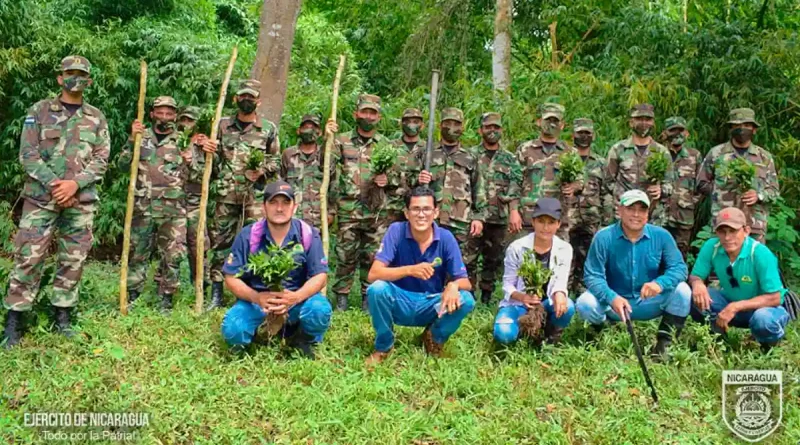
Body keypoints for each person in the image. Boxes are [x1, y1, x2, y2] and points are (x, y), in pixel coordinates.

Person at [3, 56, 110, 347]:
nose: (75, 78)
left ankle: (62, 316)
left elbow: (102, 159)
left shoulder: (96, 117)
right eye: (70, 73)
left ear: (88, 80)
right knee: (29, 258)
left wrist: (75, 183)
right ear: (60, 78)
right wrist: (56, 185)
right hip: (40, 199)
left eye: (81, 74)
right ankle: (15, 320)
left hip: (81, 200)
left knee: (73, 259)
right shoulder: (38, 111)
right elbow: (28, 155)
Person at [220, 181, 332, 359]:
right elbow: (231, 277)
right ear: (264, 207)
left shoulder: (308, 234)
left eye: (285, 203)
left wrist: (296, 297)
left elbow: (320, 275)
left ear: (294, 207)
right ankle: (258, 334)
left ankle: (302, 339)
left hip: (295, 301)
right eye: (273, 202)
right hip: (257, 303)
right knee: (233, 329)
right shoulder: (248, 235)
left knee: (319, 309)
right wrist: (256, 297)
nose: (279, 208)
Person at [364, 187, 476, 364]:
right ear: (407, 213)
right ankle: (384, 347)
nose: (421, 215)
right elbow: (374, 274)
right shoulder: (396, 231)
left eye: (426, 209)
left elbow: (465, 282)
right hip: (399, 300)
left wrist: (453, 285)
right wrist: (410, 270)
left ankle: (433, 340)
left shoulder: (446, 238)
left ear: (436, 212)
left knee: (466, 299)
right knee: (377, 289)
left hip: (431, 304)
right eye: (415, 209)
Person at [577, 189, 691, 360]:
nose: (636, 214)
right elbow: (592, 275)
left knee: (683, 291)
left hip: (648, 301)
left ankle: (664, 345)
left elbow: (679, 268)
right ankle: (598, 340)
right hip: (614, 303)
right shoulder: (603, 237)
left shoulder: (661, 236)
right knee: (585, 303)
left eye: (642, 209)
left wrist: (659, 284)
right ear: (620, 210)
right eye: (631, 208)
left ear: (648, 213)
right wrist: (611, 297)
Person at [204, 79, 280, 309]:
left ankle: (252, 291)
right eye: (243, 96)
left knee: (256, 242)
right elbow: (214, 161)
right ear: (236, 98)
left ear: (259, 101)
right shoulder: (222, 125)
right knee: (219, 242)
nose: (247, 100)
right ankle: (216, 293)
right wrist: (207, 149)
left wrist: (261, 171)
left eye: (251, 96)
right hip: (226, 194)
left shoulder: (268, 129)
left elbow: (275, 160)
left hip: (255, 197)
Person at [121, 96, 192, 312]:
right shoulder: (141, 137)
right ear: (151, 114)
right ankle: (133, 295)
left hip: (173, 210)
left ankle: (166, 299)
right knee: (138, 253)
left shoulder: (182, 141)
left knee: (173, 255)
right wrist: (133, 140)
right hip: (142, 207)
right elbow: (122, 165)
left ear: (175, 116)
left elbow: (196, 175)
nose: (164, 117)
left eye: (169, 113)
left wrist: (190, 160)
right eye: (160, 112)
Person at [328, 94, 399, 311]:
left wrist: (388, 180)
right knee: (345, 255)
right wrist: (327, 138)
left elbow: (399, 177)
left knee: (373, 256)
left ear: (378, 117)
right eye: (364, 112)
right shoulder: (341, 141)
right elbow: (326, 169)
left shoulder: (387, 145)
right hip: (348, 210)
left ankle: (369, 299)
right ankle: (341, 299)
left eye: (373, 113)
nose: (368, 116)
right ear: (356, 114)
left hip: (376, 213)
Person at [689, 207, 790, 352]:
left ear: (746, 231)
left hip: (764, 309)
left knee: (763, 320)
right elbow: (696, 276)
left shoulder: (760, 253)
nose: (727, 237)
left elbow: (775, 297)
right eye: (722, 232)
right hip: (730, 301)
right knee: (695, 297)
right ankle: (718, 341)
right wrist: (697, 284)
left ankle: (770, 345)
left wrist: (735, 306)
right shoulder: (712, 247)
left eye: (733, 231)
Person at [409, 107, 486, 290]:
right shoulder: (425, 153)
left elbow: (479, 189)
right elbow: (408, 183)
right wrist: (418, 179)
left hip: (460, 219)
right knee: (429, 258)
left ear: (463, 127)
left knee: (463, 261)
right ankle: (428, 295)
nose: (452, 127)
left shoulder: (470, 157)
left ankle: (462, 297)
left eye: (456, 123)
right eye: (448, 123)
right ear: (440, 125)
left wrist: (478, 217)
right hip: (430, 218)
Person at [494, 198, 575, 345]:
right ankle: (523, 331)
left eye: (551, 222)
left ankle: (551, 337)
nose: (545, 227)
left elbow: (561, 281)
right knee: (503, 334)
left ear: (558, 224)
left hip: (546, 303)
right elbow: (507, 284)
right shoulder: (517, 248)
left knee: (567, 306)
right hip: (518, 304)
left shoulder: (564, 249)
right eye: (541, 221)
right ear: (533, 222)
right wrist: (523, 297)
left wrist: (560, 294)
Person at [697, 108, 779, 243]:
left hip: (753, 225)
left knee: (753, 261)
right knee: (722, 261)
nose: (742, 129)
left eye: (746, 125)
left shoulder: (764, 157)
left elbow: (774, 191)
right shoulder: (717, 154)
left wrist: (758, 195)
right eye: (737, 126)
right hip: (724, 222)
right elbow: (701, 184)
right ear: (731, 128)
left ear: (754, 129)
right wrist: (720, 191)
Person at [470, 112, 522, 303]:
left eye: (496, 127)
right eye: (488, 127)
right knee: (470, 257)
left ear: (501, 130)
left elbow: (516, 185)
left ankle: (486, 297)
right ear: (480, 130)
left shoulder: (509, 158)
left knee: (493, 259)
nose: (492, 130)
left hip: (499, 216)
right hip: (475, 216)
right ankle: (468, 295)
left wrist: (514, 211)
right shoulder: (471, 155)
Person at [606, 104, 674, 226]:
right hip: (624, 214)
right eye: (639, 119)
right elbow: (608, 182)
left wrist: (661, 190)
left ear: (653, 122)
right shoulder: (618, 149)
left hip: (653, 215)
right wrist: (622, 196)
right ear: (631, 122)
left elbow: (670, 184)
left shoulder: (661, 152)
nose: (643, 123)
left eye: (647, 119)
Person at [569, 118, 612, 295]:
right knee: (565, 255)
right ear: (573, 134)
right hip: (568, 217)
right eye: (580, 133)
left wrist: (607, 221)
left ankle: (584, 292)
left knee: (589, 257)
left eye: (587, 133)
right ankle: (563, 292)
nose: (584, 136)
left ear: (593, 135)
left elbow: (607, 192)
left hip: (592, 219)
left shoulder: (601, 163)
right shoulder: (565, 158)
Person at [176, 106, 212, 300]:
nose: (186, 125)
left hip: (195, 202)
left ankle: (201, 286)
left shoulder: (203, 147)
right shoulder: (172, 142)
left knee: (198, 245)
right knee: (171, 246)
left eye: (191, 121)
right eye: (184, 120)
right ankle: (166, 288)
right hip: (172, 201)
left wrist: (191, 160)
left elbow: (206, 177)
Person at [280, 114, 336, 229]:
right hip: (292, 219)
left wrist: (331, 212)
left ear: (319, 132)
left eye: (313, 127)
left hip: (317, 220)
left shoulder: (326, 155)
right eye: (305, 127)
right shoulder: (288, 154)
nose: (309, 130)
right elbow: (280, 183)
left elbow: (333, 185)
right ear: (298, 131)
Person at [659, 116, 701, 258]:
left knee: (679, 256)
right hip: (658, 215)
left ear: (687, 133)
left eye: (681, 130)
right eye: (672, 130)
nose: (677, 134)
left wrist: (690, 201)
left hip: (684, 216)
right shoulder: (656, 154)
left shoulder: (694, 156)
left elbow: (701, 185)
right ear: (665, 133)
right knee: (655, 254)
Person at [388, 107, 426, 222]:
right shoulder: (389, 147)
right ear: (401, 124)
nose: (411, 125)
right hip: (391, 207)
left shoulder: (428, 149)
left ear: (422, 125)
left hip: (418, 209)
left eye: (416, 122)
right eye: (407, 121)